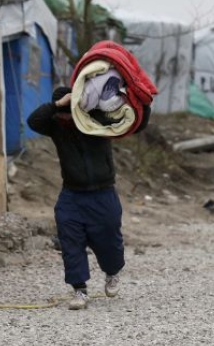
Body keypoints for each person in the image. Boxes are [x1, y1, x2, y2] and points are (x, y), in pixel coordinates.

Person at [27, 86, 150, 310]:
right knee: (70, 240)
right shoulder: (55, 126)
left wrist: (145, 102)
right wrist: (57, 105)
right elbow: (33, 121)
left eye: (69, 110)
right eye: (62, 112)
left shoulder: (98, 119)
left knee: (109, 243)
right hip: (72, 194)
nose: (66, 117)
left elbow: (135, 123)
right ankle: (79, 290)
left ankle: (112, 272)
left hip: (103, 193)